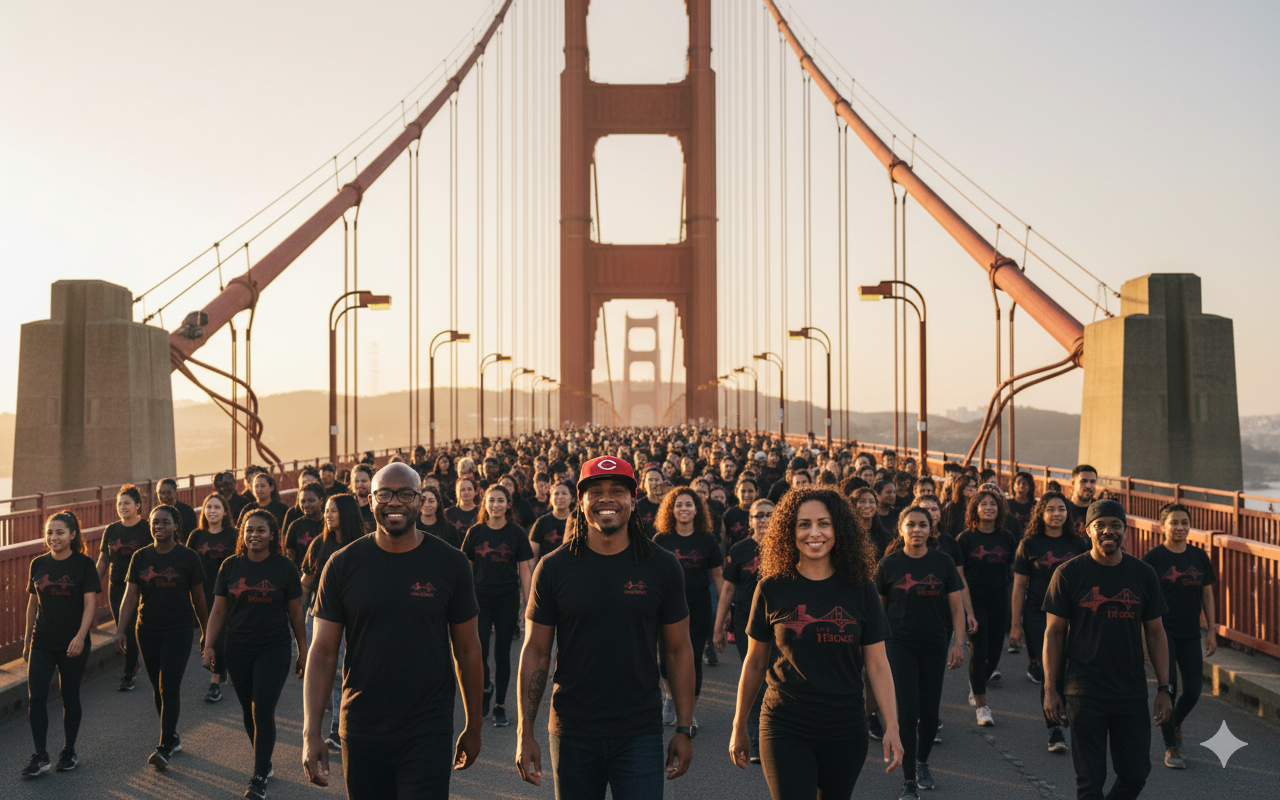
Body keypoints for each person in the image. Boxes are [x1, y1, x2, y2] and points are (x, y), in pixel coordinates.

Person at [516, 456, 696, 798]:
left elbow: (678, 650)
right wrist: (525, 732)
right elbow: (536, 652)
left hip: (640, 729)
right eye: (595, 491)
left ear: (633, 499)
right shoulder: (553, 568)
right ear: (580, 501)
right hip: (572, 731)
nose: (606, 499)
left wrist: (684, 728)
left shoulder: (663, 566)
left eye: (617, 490)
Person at [304, 463, 484, 799]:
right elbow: (323, 651)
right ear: (370, 501)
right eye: (384, 494)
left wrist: (474, 726)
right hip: (361, 726)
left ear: (421, 500)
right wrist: (311, 732)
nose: (395, 503)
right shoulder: (342, 565)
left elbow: (468, 650)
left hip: (427, 727)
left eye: (406, 494)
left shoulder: (451, 563)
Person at [730, 486, 903, 798]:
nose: (814, 533)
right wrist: (739, 724)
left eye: (824, 523)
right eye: (804, 524)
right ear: (789, 530)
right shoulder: (771, 588)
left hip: (846, 727)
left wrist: (892, 726)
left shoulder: (861, 589)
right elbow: (755, 662)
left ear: (839, 529)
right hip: (785, 724)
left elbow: (877, 665)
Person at [1043, 499, 1172, 800]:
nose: (1108, 531)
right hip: (1084, 691)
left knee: (1136, 773)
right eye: (1100, 525)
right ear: (1087, 530)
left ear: (1125, 531)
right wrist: (1051, 688)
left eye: (1115, 525)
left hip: (1131, 690)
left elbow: (1155, 633)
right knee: (1090, 782)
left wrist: (1164, 688)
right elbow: (1054, 633)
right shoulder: (1067, 574)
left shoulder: (1143, 574)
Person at [203, 509, 307, 799]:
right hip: (237, 647)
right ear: (242, 534)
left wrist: (303, 650)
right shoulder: (230, 566)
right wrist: (209, 644)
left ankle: (259, 775)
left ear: (272, 535)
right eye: (249, 530)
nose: (254, 535)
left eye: (261, 530)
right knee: (250, 711)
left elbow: (296, 612)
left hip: (273, 647)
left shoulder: (284, 567)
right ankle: (265, 760)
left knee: (262, 708)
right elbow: (219, 610)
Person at [876, 506, 967, 799]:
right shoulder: (888, 564)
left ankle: (922, 763)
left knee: (929, 713)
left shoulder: (943, 562)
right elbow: (877, 611)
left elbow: (956, 606)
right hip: (899, 645)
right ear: (901, 529)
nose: (917, 530)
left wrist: (958, 643)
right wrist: (873, 651)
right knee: (908, 712)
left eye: (923, 525)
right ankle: (908, 780)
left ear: (931, 530)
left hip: (935, 645)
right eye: (911, 525)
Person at [115, 505, 209, 769]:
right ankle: (172, 736)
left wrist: (206, 632)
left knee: (169, 685)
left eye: (165, 522)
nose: (159, 527)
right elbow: (131, 595)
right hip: (147, 629)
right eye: (155, 522)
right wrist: (121, 629)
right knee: (158, 688)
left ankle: (165, 745)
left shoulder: (188, 557)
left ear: (176, 527)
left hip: (178, 629)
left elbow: (199, 597)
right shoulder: (140, 557)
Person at [1008, 490, 1088, 753]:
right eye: (1051, 509)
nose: (1057, 514)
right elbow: (1019, 586)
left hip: (1072, 615)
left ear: (1068, 514)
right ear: (1041, 513)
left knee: (1069, 669)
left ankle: (1064, 711)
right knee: (1049, 671)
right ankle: (1054, 729)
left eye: (1061, 509)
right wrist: (1015, 625)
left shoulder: (1078, 545)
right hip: (1037, 613)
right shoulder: (1029, 544)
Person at [21, 512, 100, 777]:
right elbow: (33, 603)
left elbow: (91, 604)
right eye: (50, 533)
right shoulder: (38, 563)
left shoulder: (84, 565)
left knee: (69, 697)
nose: (53, 538)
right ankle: (40, 754)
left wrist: (80, 636)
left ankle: (69, 750)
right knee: (37, 698)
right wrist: (27, 640)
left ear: (73, 535)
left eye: (60, 533)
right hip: (42, 640)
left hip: (73, 642)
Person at [1141, 502, 1216, 769]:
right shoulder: (1154, 558)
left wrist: (1212, 632)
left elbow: (1207, 593)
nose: (1180, 527)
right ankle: (1170, 746)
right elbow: (1143, 600)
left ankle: (1175, 721)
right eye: (1174, 522)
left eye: (1185, 522)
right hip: (1162, 633)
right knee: (1168, 687)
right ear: (1163, 526)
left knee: (1194, 690)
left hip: (1190, 633)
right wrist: (1144, 639)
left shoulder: (1199, 556)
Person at [462, 484, 535, 728]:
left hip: (507, 599)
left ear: (508, 504)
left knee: (502, 655)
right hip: (479, 600)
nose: (495, 505)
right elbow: (465, 568)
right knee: (479, 651)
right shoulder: (475, 532)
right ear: (484, 503)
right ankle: (485, 688)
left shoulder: (516, 534)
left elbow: (525, 569)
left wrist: (528, 606)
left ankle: (500, 706)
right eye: (491, 500)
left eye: (500, 501)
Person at [300, 492, 366, 749]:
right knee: (321, 672)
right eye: (326, 510)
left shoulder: (363, 545)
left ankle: (338, 731)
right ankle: (336, 711)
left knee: (340, 673)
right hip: (319, 615)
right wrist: (297, 624)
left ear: (347, 514)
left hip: (351, 616)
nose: (327, 515)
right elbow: (305, 586)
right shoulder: (319, 545)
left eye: (333, 511)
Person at [652, 487, 725, 717]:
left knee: (692, 658)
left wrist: (724, 609)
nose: (684, 509)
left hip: (698, 604)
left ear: (697, 510)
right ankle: (671, 697)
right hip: (668, 606)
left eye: (689, 505)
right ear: (671, 510)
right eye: (679, 505)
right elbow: (652, 576)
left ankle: (688, 711)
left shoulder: (708, 539)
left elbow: (718, 576)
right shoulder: (661, 539)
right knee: (665, 659)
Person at [712, 498, 773, 763]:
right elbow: (728, 588)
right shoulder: (739, 550)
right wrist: (718, 627)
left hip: (779, 623)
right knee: (756, 682)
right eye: (758, 515)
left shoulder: (789, 546)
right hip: (746, 623)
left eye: (768, 515)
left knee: (776, 680)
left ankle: (777, 735)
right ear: (749, 520)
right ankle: (756, 739)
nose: (763, 519)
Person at [956, 488, 1018, 725]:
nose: (989, 508)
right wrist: (968, 612)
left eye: (993, 504)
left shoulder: (1007, 537)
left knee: (993, 654)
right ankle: (982, 706)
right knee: (979, 649)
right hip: (974, 599)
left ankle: (976, 683)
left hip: (999, 598)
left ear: (999, 509)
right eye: (983, 504)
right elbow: (960, 579)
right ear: (975, 508)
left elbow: (1012, 573)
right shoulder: (966, 538)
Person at [96, 484, 151, 692]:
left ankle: (128, 673)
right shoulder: (111, 530)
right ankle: (133, 660)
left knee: (130, 627)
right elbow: (103, 561)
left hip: (140, 587)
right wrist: (91, 587)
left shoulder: (146, 529)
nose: (122, 507)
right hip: (117, 586)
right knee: (122, 627)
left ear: (138, 505)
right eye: (119, 503)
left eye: (127, 503)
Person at [186, 494, 237, 704]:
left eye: (217, 507)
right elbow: (186, 563)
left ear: (225, 511)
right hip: (201, 592)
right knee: (208, 634)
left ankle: (215, 683)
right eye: (209, 507)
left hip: (226, 593)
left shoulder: (234, 535)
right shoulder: (196, 536)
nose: (212, 511)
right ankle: (223, 665)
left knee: (220, 635)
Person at [284, 483, 327, 568]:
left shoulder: (329, 523)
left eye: (311, 500)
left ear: (321, 501)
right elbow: (290, 557)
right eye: (303, 501)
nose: (306, 505)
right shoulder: (295, 526)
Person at [529, 481, 573, 561]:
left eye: (564, 493)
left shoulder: (577, 522)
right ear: (551, 498)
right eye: (556, 494)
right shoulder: (541, 522)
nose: (560, 497)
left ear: (572, 498)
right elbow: (532, 557)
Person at [1065, 465, 1098, 537]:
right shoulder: (1062, 509)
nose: (1088, 486)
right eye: (1083, 481)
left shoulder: (1099, 510)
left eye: (1092, 482)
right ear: (1073, 483)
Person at [446, 476, 481, 540]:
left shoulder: (482, 512)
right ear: (457, 492)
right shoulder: (447, 514)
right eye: (462, 490)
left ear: (476, 492)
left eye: (469, 489)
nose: (466, 492)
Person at [351, 464, 377, 532]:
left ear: (372, 482)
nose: (359, 485)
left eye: (364, 481)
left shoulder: (377, 504)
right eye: (357, 481)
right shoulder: (348, 504)